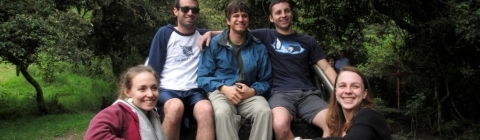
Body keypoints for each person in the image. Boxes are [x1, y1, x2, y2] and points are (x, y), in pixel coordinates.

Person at [199, 0, 337, 139]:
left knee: (332, 123)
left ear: (292, 14)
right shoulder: (264, 36)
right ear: (271, 18)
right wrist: (209, 33)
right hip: (275, 93)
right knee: (225, 113)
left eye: (286, 11)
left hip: (305, 94)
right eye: (278, 12)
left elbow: (325, 68)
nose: (283, 15)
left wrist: (343, 88)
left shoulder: (305, 41)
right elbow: (236, 29)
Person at [197, 0, 273, 140]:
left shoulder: (259, 47)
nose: (240, 19)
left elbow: (266, 80)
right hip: (221, 92)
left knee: (264, 111)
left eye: (244, 16)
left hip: (248, 94)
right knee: (222, 112)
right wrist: (223, 88)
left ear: (248, 20)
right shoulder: (214, 44)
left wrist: (253, 91)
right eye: (235, 16)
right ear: (228, 20)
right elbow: (202, 77)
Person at [146, 0, 214, 139]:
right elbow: (152, 69)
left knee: (207, 110)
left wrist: (211, 33)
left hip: (194, 90)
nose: (190, 13)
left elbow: (234, 31)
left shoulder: (202, 35)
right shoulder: (165, 33)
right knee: (175, 107)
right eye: (185, 9)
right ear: (176, 11)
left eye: (194, 10)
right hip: (168, 89)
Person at [84, 65, 166, 140]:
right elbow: (93, 137)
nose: (150, 94)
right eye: (142, 89)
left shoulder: (152, 114)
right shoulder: (118, 112)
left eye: (154, 88)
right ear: (127, 92)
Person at [313, 66, 392, 140]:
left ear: (364, 93)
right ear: (336, 92)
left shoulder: (370, 116)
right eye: (342, 86)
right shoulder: (338, 124)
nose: (348, 91)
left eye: (355, 86)